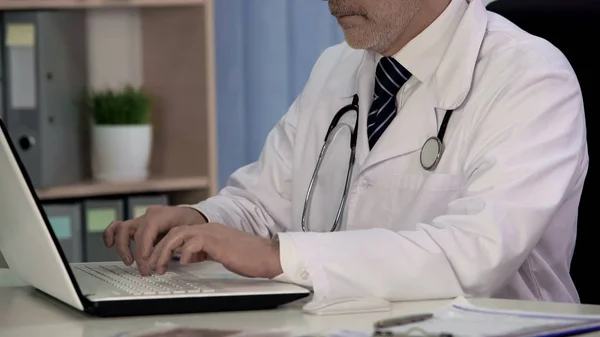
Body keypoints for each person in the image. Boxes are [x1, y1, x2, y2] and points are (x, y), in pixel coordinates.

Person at [103, 0, 588, 303]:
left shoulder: (529, 76)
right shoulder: (336, 67)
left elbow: (473, 255)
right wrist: (199, 221)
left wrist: (279, 256)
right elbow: (263, 202)